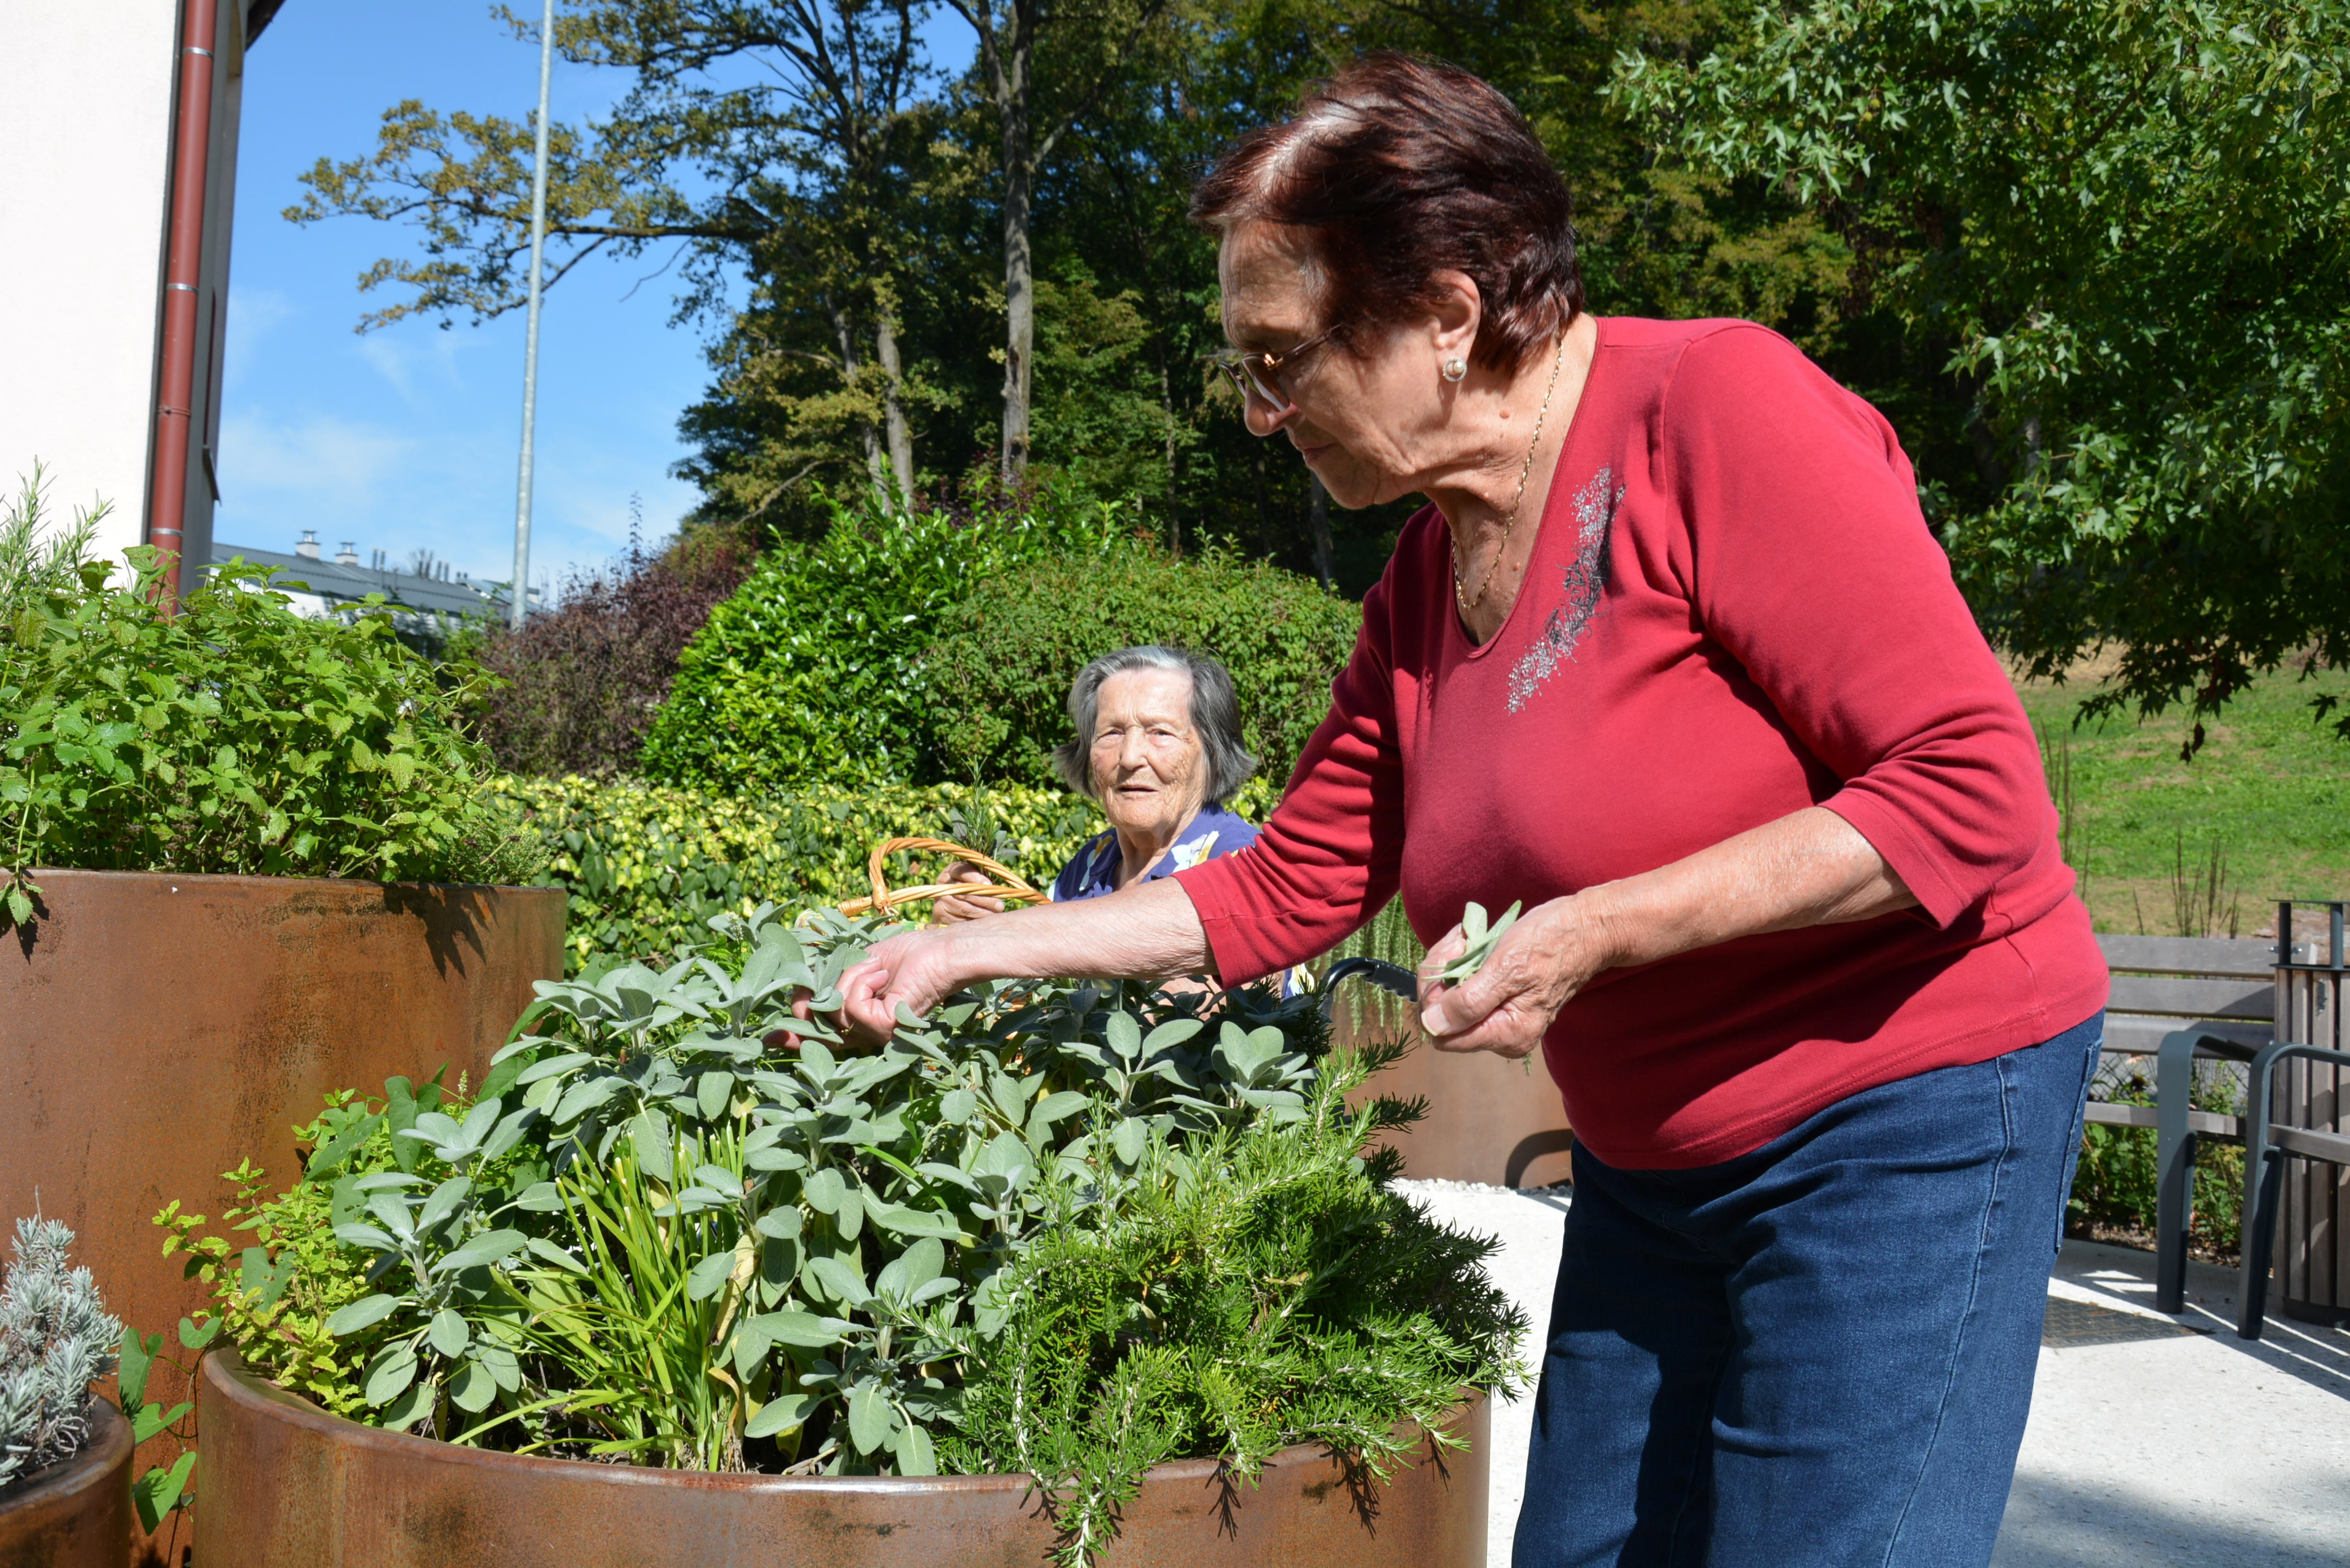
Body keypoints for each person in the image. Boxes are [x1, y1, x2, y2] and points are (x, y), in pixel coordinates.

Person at [831, 53, 2106, 1568]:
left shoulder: (1714, 408)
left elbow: (1970, 793)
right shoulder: (1422, 590)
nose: (1260, 412)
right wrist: (971, 952)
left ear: (1446, 311)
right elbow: (1279, 888)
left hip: (1905, 1120)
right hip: (1656, 1162)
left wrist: (1597, 931)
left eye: (1283, 357)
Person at [928, 645, 1263, 924]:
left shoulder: (1243, 864)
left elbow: (1210, 1001)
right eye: (1112, 733)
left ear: (1213, 752)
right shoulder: (1091, 865)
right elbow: (1037, 992)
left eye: (1160, 732)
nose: (1130, 757)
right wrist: (965, 930)